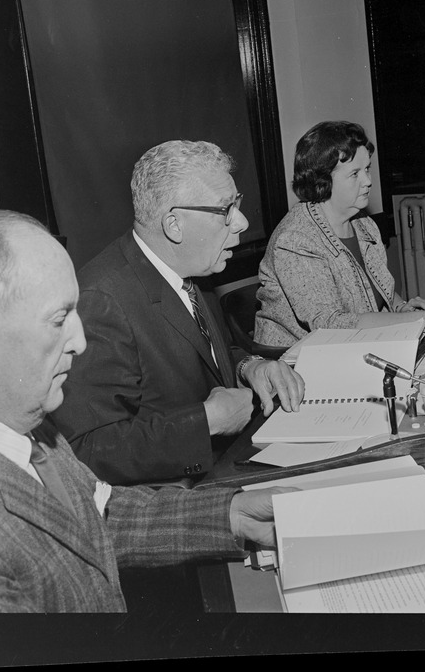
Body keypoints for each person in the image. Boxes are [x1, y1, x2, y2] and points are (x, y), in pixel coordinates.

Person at [0, 210, 291, 612]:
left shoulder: (32, 430)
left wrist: (233, 514)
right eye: (58, 320)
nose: (80, 343)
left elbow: (101, 513)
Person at [51, 141, 304, 485]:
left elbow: (211, 356)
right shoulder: (101, 300)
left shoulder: (186, 268)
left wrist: (250, 367)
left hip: (225, 464)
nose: (242, 222)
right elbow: (89, 450)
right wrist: (206, 421)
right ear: (174, 224)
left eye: (237, 203)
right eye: (224, 209)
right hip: (175, 498)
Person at [254, 121, 425, 347]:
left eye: (367, 169)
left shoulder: (364, 225)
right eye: (354, 174)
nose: (368, 181)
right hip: (295, 360)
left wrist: (404, 308)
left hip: (354, 346)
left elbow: (383, 292)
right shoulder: (295, 239)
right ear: (322, 180)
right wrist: (419, 320)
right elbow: (331, 325)